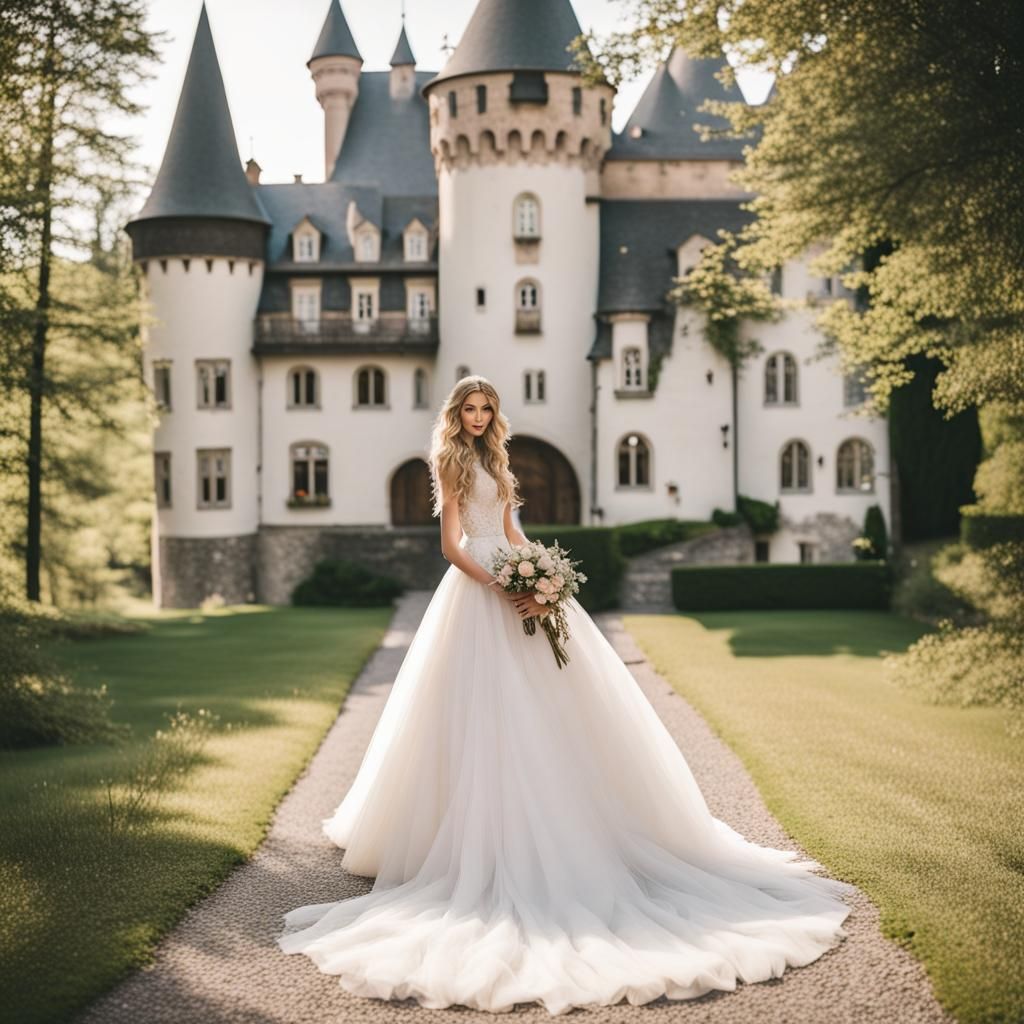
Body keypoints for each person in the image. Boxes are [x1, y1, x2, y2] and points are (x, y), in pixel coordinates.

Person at [276, 374, 854, 1014]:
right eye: (468, 408)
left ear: (494, 413)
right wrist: (498, 584)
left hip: (519, 579)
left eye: (485, 407)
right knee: (470, 708)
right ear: (455, 413)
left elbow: (510, 528)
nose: (476, 416)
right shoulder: (447, 458)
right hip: (476, 592)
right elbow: (451, 545)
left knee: (556, 699)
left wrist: (545, 573)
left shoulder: (498, 455)